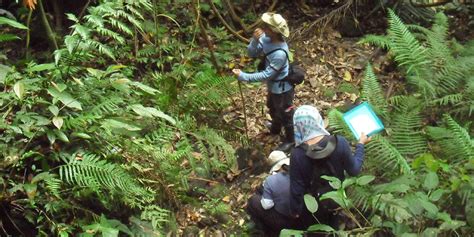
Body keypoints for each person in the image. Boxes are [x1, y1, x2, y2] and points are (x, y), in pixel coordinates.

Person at [288, 105, 372, 229]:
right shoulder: (340, 142)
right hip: (336, 200)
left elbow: (296, 190)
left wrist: (295, 212)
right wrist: (360, 145)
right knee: (334, 227)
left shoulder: (297, 154)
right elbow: (354, 170)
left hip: (312, 206)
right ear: (317, 120)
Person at [232, 12, 295, 150]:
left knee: (285, 113)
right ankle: (275, 129)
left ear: (273, 31)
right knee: (272, 107)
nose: (263, 28)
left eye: (266, 27)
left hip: (283, 89)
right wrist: (254, 40)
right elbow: (251, 53)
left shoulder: (280, 53)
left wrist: (244, 76)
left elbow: (266, 75)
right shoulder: (266, 39)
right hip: (273, 87)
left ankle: (291, 139)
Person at [246, 150, 296, 236]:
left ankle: (262, 232)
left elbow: (266, 205)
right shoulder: (298, 172)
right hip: (302, 217)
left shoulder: (272, 180)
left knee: (253, 201)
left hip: (285, 222)